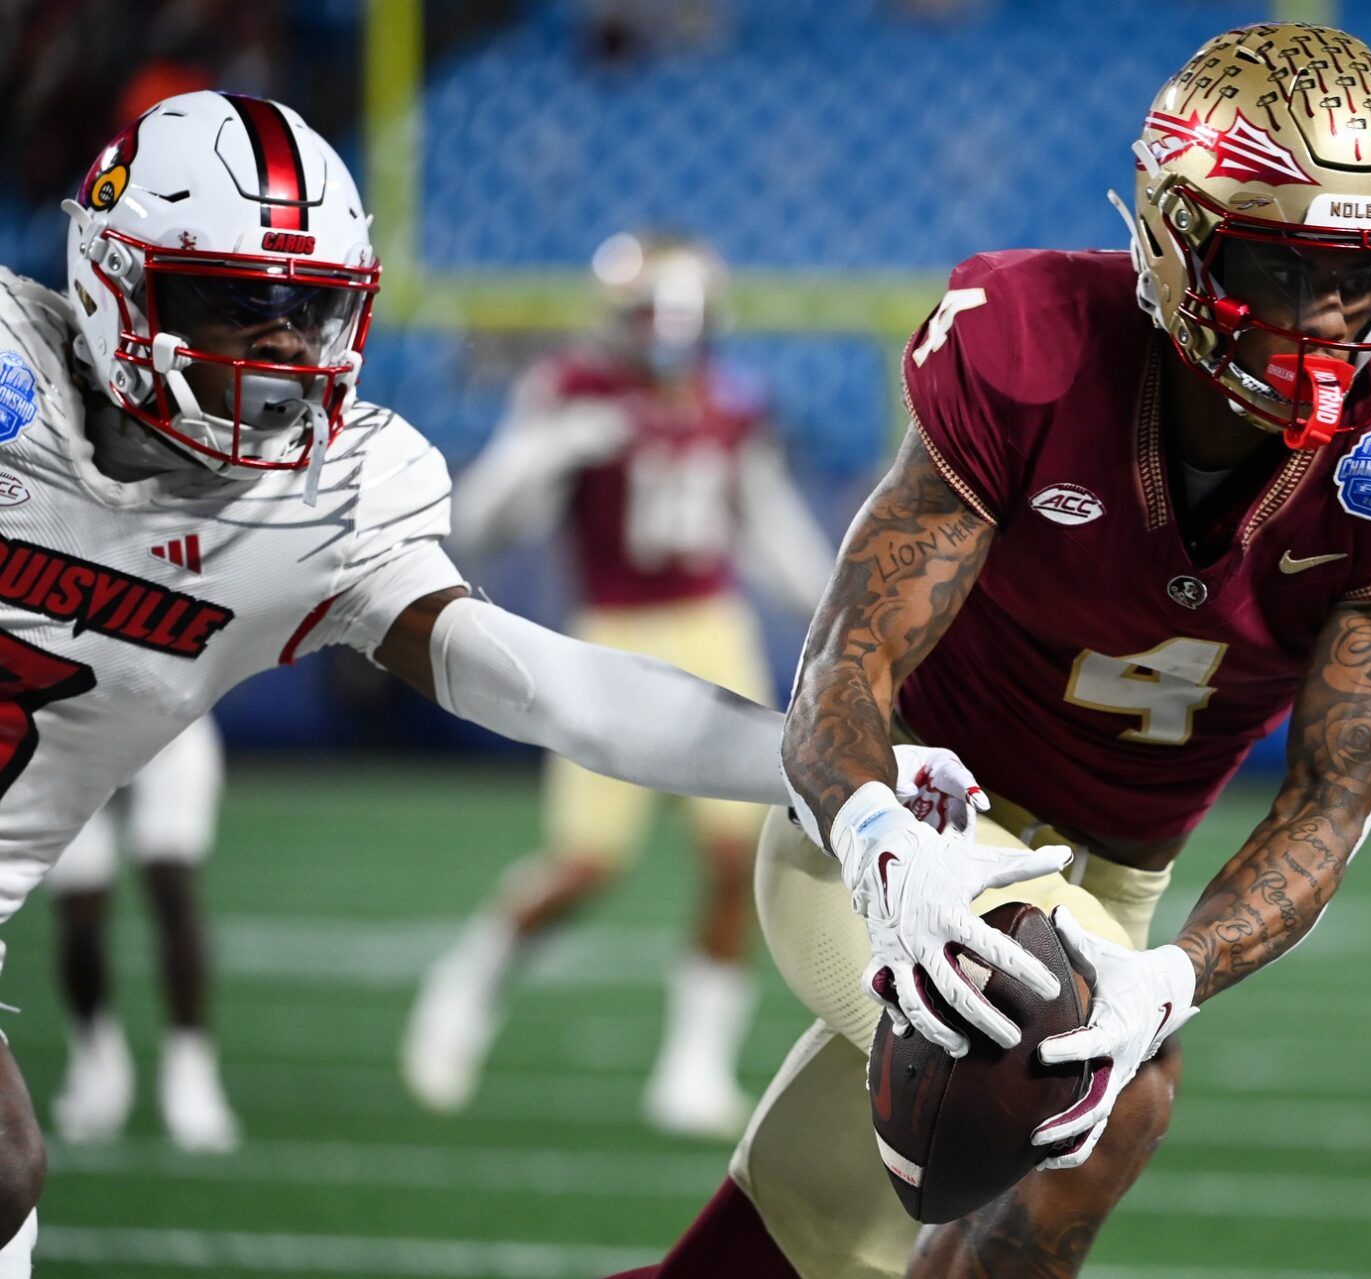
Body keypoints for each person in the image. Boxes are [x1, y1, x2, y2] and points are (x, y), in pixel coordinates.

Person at [0, 90, 972, 1276]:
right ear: (110, 281)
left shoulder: (327, 498)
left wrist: (828, 759)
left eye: (308, 313)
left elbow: (541, 686)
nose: (277, 355)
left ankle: (686, 1057)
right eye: (234, 303)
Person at [622, 23, 1371, 1279]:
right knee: (1115, 1092)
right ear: (1175, 237)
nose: (1327, 316)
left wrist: (1173, 972)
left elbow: (1333, 803)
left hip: (1116, 887)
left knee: (789, 1256)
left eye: (1363, 275)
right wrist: (886, 850)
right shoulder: (1031, 342)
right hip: (905, 830)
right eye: (1278, 265)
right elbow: (843, 666)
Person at [402, 233, 836, 1138]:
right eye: (647, 317)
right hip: (612, 632)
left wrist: (843, 616)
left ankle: (692, 1066)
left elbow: (770, 532)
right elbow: (481, 521)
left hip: (713, 626)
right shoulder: (572, 393)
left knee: (735, 860)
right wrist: (547, 447)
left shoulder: (733, 405)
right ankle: (470, 983)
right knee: (589, 863)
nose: (663, 337)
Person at [44, 715, 236, 1152]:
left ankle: (191, 1069)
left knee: (172, 881)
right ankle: (95, 1058)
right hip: (73, 733)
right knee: (80, 907)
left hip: (169, 726)